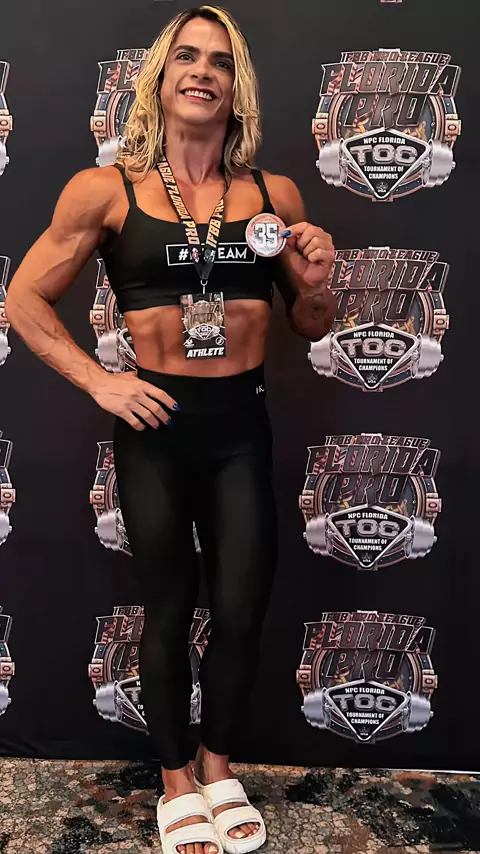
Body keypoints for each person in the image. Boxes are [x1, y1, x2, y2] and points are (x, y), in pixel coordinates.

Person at [5, 6, 336, 853]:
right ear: (159, 79)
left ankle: (217, 766)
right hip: (156, 427)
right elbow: (23, 298)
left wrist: (316, 284)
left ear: (236, 86)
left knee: (241, 608)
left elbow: (312, 324)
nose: (202, 71)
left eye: (219, 61)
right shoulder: (106, 190)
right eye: (186, 56)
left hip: (241, 427)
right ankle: (176, 780)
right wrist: (99, 381)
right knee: (167, 607)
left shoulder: (273, 196)